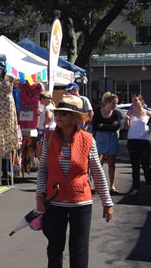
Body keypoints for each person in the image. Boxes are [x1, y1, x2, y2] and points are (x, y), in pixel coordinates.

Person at [36, 94, 113, 268]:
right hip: (54, 202)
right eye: (58, 113)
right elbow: (43, 170)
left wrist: (107, 202)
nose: (58, 117)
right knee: (54, 249)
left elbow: (97, 172)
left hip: (81, 203)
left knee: (79, 249)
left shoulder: (87, 139)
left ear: (75, 117)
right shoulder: (49, 137)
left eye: (64, 114)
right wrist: (39, 195)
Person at [124, 94, 151, 195]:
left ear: (142, 101)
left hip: (143, 141)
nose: (133, 103)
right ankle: (136, 188)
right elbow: (126, 128)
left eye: (136, 101)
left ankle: (149, 184)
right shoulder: (130, 112)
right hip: (132, 141)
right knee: (135, 166)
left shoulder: (149, 113)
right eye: (132, 101)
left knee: (146, 164)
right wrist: (127, 120)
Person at [92, 92, 122, 193]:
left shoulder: (116, 113)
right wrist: (109, 126)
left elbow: (117, 126)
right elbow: (96, 126)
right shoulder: (97, 112)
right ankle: (96, 186)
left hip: (112, 138)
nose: (115, 105)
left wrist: (103, 126)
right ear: (107, 103)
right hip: (100, 139)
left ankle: (112, 186)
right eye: (113, 103)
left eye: (116, 103)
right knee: (98, 163)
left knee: (111, 163)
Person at [36, 91, 56, 159]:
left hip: (45, 131)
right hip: (47, 131)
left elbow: (49, 117)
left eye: (40, 98)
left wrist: (45, 124)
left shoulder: (48, 108)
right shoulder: (49, 107)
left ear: (45, 98)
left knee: (40, 152)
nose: (40, 100)